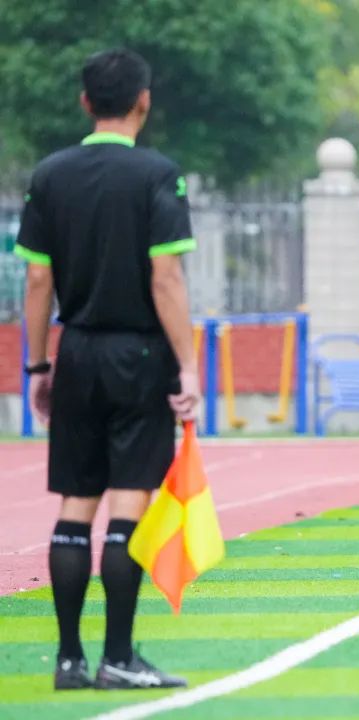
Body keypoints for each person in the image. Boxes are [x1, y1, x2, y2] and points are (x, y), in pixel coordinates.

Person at [16, 48, 200, 690]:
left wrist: (39, 365)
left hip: (77, 353)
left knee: (75, 507)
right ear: (143, 102)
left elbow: (37, 281)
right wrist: (189, 367)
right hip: (139, 355)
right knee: (128, 507)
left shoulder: (50, 174)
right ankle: (118, 657)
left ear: (85, 102)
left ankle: (68, 660)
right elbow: (166, 277)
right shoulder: (158, 174)